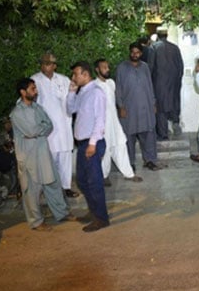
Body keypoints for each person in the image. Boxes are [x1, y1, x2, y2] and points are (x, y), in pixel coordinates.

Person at [10, 78, 77, 232]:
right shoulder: (17, 113)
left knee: (53, 183)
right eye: (33, 88)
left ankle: (62, 213)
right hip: (28, 157)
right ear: (23, 91)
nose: (36, 91)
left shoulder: (37, 107)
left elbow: (49, 125)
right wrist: (39, 130)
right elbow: (31, 131)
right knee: (32, 190)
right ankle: (36, 222)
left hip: (43, 152)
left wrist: (38, 130)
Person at [67, 61, 110, 232]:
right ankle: (94, 211)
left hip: (93, 143)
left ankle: (101, 218)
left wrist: (92, 144)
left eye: (75, 74)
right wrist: (71, 92)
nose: (73, 77)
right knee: (82, 181)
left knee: (94, 182)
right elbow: (70, 110)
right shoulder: (82, 91)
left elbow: (100, 120)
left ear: (85, 74)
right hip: (83, 143)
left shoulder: (96, 92)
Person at [31, 53, 79, 198]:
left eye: (49, 63)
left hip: (63, 126)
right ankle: (50, 189)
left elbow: (71, 99)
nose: (46, 66)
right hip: (47, 128)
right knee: (48, 159)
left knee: (65, 158)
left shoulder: (64, 80)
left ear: (54, 65)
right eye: (43, 63)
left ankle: (66, 187)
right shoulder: (34, 80)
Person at [93, 59, 144, 185]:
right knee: (105, 150)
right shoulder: (94, 86)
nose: (107, 69)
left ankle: (129, 174)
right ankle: (104, 176)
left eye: (108, 67)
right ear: (97, 70)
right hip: (102, 124)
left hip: (114, 121)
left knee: (120, 145)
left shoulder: (111, 83)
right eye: (104, 67)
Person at [115, 42, 160, 171]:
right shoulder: (122, 68)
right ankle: (130, 163)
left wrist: (153, 102)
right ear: (130, 52)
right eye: (133, 52)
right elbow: (118, 88)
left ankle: (150, 160)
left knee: (148, 135)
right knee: (129, 136)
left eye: (138, 52)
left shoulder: (145, 67)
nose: (135, 55)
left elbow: (150, 86)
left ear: (141, 53)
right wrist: (121, 106)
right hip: (129, 108)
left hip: (145, 106)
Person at [151, 30, 184, 140]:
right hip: (174, 82)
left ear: (157, 36)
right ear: (167, 35)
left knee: (160, 108)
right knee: (174, 103)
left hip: (159, 83)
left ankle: (163, 134)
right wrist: (177, 81)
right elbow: (180, 66)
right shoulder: (175, 48)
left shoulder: (154, 47)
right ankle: (175, 122)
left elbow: (150, 67)